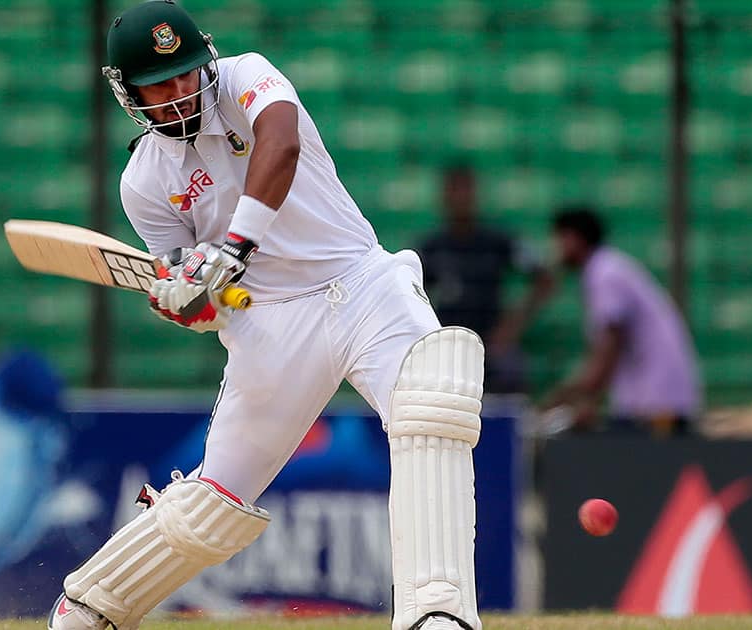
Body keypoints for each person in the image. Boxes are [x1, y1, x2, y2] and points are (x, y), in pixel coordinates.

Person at [48, 3, 484, 630]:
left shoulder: (249, 76)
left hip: (362, 283)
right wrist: (193, 301)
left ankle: (436, 614)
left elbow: (279, 146)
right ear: (128, 93)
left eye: (186, 74)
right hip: (269, 320)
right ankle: (90, 607)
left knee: (433, 405)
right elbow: (214, 301)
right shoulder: (143, 182)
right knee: (212, 504)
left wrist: (231, 250)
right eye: (158, 84)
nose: (179, 93)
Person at [494, 206, 701, 435]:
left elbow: (607, 354)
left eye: (558, 239)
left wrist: (562, 400)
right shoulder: (607, 268)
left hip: (658, 404)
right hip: (654, 399)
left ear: (573, 239)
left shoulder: (604, 274)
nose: (556, 249)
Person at [417, 164, 536, 393]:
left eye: (466, 190)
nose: (461, 198)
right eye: (455, 191)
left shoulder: (498, 242)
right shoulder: (433, 247)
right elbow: (412, 292)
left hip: (492, 343)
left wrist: (511, 327)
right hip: (449, 345)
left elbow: (543, 278)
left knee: (509, 377)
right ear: (444, 197)